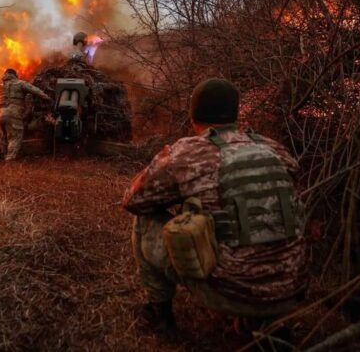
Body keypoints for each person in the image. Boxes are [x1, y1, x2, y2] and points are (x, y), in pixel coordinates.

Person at [123, 78, 307, 337]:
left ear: (193, 115)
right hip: (291, 289)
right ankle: (264, 320)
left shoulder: (188, 153)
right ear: (235, 114)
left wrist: (165, 161)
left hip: (231, 292)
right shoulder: (275, 149)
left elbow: (133, 200)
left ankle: (158, 315)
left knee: (144, 220)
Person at [0, 68, 52, 161]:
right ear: (15, 75)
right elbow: (35, 90)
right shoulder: (19, 83)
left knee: (5, 136)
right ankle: (10, 160)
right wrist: (47, 98)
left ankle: (3, 155)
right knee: (15, 137)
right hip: (12, 112)